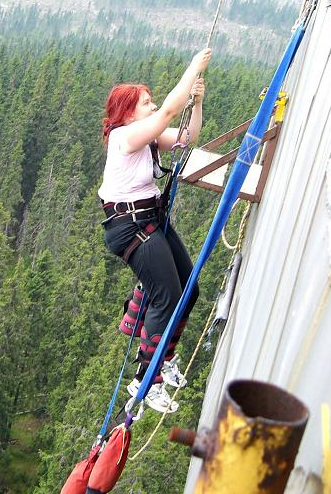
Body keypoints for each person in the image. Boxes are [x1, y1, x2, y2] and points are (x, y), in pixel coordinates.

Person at [98, 48, 212, 413]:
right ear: (129, 113)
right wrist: (193, 65)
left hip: (148, 221)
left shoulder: (143, 138)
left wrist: (196, 103)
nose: (153, 105)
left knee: (188, 290)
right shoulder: (124, 138)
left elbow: (185, 137)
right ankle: (147, 379)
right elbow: (167, 114)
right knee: (166, 295)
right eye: (145, 103)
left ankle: (165, 358)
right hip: (131, 228)